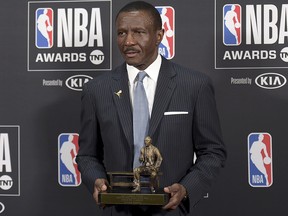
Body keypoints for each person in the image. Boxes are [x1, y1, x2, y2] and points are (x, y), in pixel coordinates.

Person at [76, 1, 227, 215]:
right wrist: (96, 180)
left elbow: (212, 152)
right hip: (118, 210)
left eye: (138, 32)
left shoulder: (194, 85)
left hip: (170, 211)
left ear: (159, 36)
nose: (128, 41)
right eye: (121, 33)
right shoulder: (96, 90)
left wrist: (185, 189)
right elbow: (87, 155)